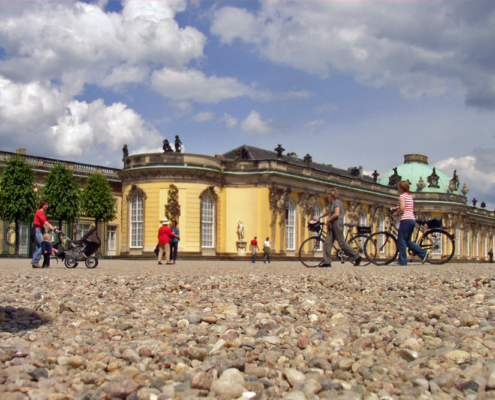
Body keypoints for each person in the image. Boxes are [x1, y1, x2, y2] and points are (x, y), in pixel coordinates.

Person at [318, 188, 361, 267]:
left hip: (337, 224)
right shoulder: (333, 204)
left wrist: (329, 220)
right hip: (332, 225)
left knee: (341, 244)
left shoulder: (337, 202)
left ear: (332, 195)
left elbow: (337, 213)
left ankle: (357, 256)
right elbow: (329, 212)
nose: (327, 196)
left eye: (328, 195)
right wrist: (320, 217)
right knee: (327, 243)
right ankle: (327, 262)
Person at [392, 181, 429, 266]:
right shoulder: (409, 196)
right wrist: (395, 208)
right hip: (412, 219)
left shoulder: (402, 196)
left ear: (401, 188)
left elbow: (402, 208)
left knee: (401, 241)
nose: (398, 189)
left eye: (399, 187)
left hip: (406, 220)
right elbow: (405, 206)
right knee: (407, 241)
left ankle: (402, 261)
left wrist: (396, 213)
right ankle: (423, 253)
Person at [31, 200, 57, 268]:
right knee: (43, 245)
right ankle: (34, 261)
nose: (46, 206)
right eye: (45, 205)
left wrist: (52, 226)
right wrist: (51, 227)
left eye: (47, 205)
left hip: (40, 229)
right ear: (42, 205)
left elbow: (47, 221)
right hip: (37, 230)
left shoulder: (43, 213)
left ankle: (35, 263)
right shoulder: (39, 211)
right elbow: (44, 221)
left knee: (37, 247)